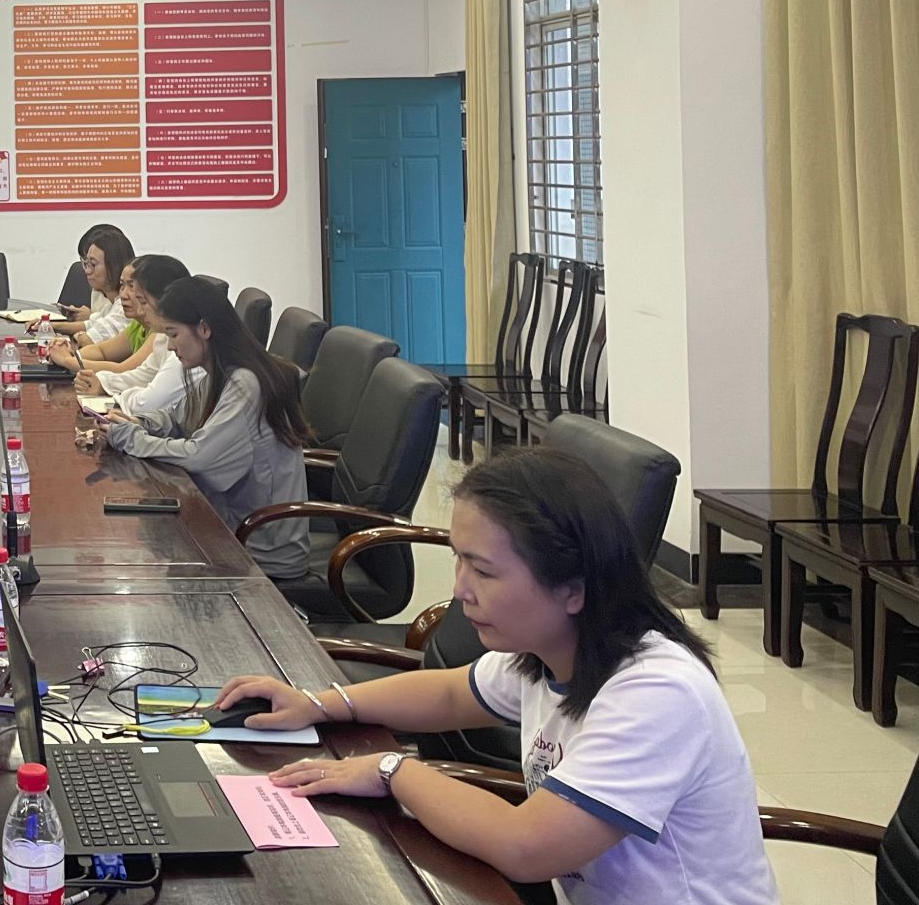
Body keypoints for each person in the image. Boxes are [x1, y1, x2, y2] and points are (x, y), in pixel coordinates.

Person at [213, 448, 775, 905]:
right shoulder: (551, 647)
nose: (460, 589)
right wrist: (319, 703)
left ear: (573, 588)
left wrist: (391, 770)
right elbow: (451, 692)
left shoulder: (657, 693)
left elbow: (525, 846)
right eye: (458, 559)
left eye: (482, 570)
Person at [95, 275, 310, 579]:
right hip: (231, 525)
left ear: (204, 329)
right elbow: (177, 418)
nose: (171, 347)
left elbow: (199, 457)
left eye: (173, 334)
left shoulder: (245, 383)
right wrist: (139, 423)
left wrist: (132, 439)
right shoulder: (223, 371)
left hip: (261, 547)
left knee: (148, 565)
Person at [73, 253, 189, 416]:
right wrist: (102, 382)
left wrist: (116, 396)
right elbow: (142, 375)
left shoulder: (188, 345)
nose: (140, 309)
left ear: (165, 299)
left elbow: (148, 402)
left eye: (143, 301)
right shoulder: (163, 337)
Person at [66, 225, 133, 343]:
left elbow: (89, 340)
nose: (87, 271)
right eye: (85, 263)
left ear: (113, 265)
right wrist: (49, 325)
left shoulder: (125, 307)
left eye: (93, 264)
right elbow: (91, 324)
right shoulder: (111, 304)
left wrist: (78, 337)